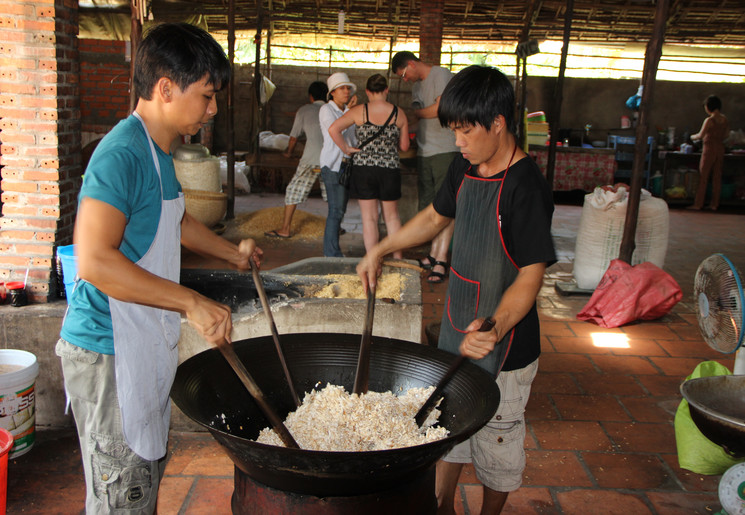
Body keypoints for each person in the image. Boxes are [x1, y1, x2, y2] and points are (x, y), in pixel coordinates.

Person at [55, 23, 263, 514]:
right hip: (107, 352)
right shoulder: (122, 155)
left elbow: (176, 219)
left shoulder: (159, 153)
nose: (213, 109)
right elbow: (95, 261)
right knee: (120, 499)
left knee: (138, 481)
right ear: (166, 88)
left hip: (139, 342)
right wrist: (191, 301)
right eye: (207, 95)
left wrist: (230, 254)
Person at [357, 65, 556, 514]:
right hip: (456, 325)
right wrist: (382, 248)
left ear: (498, 123)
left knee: (496, 439)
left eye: (465, 132)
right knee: (447, 425)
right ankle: (441, 506)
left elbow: (530, 275)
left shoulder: (525, 187)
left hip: (505, 343)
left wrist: (496, 325)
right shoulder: (465, 167)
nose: (458, 142)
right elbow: (434, 217)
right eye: (454, 131)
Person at [391, 51, 459, 283]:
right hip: (425, 150)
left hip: (445, 150)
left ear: (411, 63)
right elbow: (423, 114)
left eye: (404, 74)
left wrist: (420, 112)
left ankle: (441, 258)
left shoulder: (440, 74)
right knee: (429, 206)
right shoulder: (416, 88)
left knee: (445, 205)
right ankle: (432, 254)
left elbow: (440, 110)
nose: (405, 79)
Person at [328, 74, 410, 259]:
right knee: (392, 217)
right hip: (389, 168)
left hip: (364, 169)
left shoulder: (359, 111)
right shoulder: (399, 113)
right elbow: (404, 147)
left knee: (369, 218)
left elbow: (333, 129)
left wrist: (347, 148)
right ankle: (397, 259)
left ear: (367, 91)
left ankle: (373, 260)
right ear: (386, 90)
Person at [265, 81, 329, 238]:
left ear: (311, 96)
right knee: (332, 195)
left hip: (311, 160)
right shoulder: (332, 109)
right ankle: (335, 227)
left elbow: (293, 137)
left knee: (293, 191)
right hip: (330, 160)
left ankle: (285, 229)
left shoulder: (304, 110)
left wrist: (288, 152)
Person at [318, 72, 358, 257]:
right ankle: (331, 254)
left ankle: (332, 251)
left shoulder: (345, 111)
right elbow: (336, 130)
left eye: (348, 88)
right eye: (342, 88)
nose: (346, 91)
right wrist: (350, 112)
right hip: (332, 165)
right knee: (336, 210)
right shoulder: (326, 110)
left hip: (344, 165)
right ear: (332, 92)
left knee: (339, 210)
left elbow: (352, 138)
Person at [688, 94, 729, 211]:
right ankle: (714, 204)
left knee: (703, 177)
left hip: (709, 149)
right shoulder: (724, 119)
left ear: (709, 106)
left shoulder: (709, 120)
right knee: (717, 177)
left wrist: (692, 137)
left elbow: (700, 135)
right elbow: (727, 135)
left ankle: (698, 204)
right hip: (720, 149)